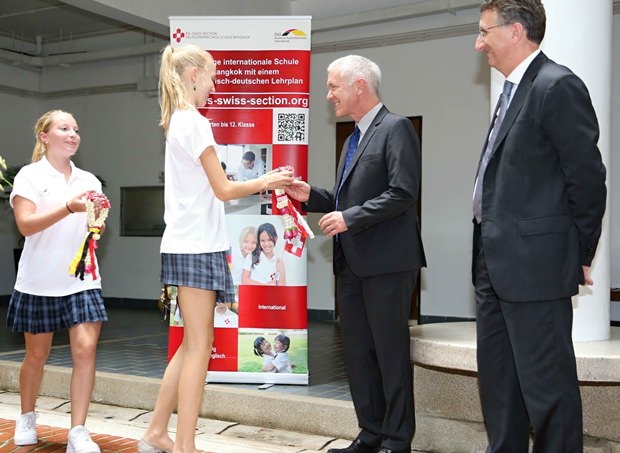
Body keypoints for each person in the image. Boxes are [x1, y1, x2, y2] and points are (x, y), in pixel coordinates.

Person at [139, 44, 293, 453]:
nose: (213, 84)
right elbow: (224, 189)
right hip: (196, 247)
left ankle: (157, 433)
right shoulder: (194, 122)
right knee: (199, 348)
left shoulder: (179, 122)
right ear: (192, 75)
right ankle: (184, 446)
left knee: (193, 344)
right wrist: (268, 180)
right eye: (209, 76)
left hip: (190, 244)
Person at [471, 1, 607, 451]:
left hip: (536, 265)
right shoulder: (511, 90)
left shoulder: (556, 86)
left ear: (514, 32)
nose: (479, 42)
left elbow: (587, 181)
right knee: (500, 385)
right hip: (493, 262)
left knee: (548, 389)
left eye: (484, 32)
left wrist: (578, 254)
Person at [285, 55, 425, 453]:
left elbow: (403, 193)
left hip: (388, 264)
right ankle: (370, 433)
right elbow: (344, 199)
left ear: (359, 86)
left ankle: (397, 441)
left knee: (390, 355)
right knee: (360, 355)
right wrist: (310, 195)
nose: (328, 95)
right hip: (352, 264)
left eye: (334, 86)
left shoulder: (395, 128)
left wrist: (350, 217)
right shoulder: (352, 138)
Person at [7, 110, 108, 453]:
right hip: (39, 281)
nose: (72, 134)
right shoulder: (29, 177)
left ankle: (78, 430)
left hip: (82, 279)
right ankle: (26, 416)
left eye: (76, 129)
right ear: (45, 137)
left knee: (86, 350)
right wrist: (68, 207)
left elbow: (94, 224)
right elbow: (26, 225)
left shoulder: (90, 181)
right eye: (64, 128)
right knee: (37, 355)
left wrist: (96, 224)